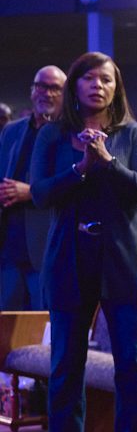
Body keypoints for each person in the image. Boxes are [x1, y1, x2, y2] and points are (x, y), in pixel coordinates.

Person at [29, 52, 137, 432]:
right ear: (75, 86)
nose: (98, 86)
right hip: (68, 261)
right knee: (66, 367)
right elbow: (40, 194)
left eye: (107, 80)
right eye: (89, 79)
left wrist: (108, 162)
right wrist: (80, 168)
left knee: (132, 368)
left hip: (122, 261)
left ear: (116, 88)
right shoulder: (55, 135)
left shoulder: (132, 133)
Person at [0, 65, 66, 310]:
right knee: (6, 331)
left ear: (66, 94)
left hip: (45, 249)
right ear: (32, 91)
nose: (46, 93)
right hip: (8, 248)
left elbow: (74, 185)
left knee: (42, 330)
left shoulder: (70, 134)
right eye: (41, 86)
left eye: (54, 88)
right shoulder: (12, 131)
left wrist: (30, 192)